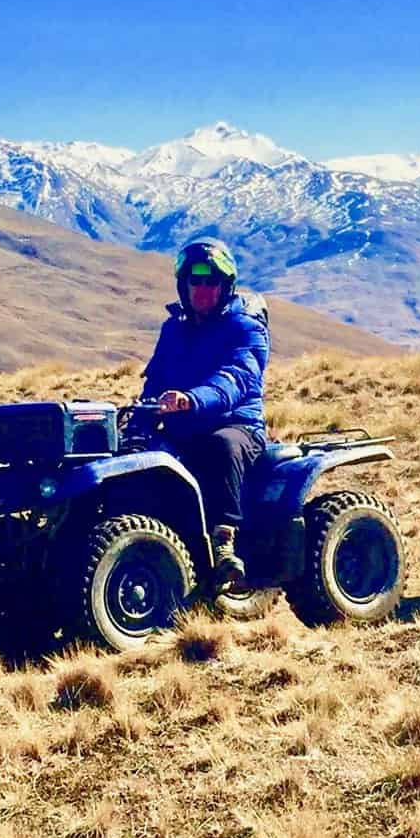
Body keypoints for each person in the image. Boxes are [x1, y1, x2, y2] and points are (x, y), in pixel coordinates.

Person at [138, 238, 268, 590]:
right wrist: (141, 413)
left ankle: (224, 543)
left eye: (211, 282)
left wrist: (192, 399)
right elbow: (156, 377)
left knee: (221, 447)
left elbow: (237, 377)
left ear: (225, 285)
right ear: (184, 285)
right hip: (181, 426)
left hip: (236, 424)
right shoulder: (174, 328)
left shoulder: (246, 327)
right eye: (195, 281)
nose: (203, 290)